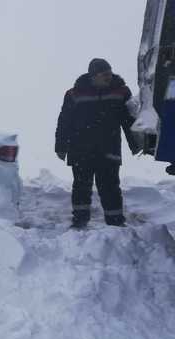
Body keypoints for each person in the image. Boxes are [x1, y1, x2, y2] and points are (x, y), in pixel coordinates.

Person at [55, 58, 141, 228]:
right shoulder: (74, 94)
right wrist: (61, 146)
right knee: (81, 187)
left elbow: (128, 120)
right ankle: (80, 221)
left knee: (110, 187)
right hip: (80, 150)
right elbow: (64, 121)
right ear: (93, 76)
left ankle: (116, 223)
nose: (109, 77)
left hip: (109, 149)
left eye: (110, 73)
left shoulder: (121, 92)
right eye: (104, 75)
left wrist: (135, 143)